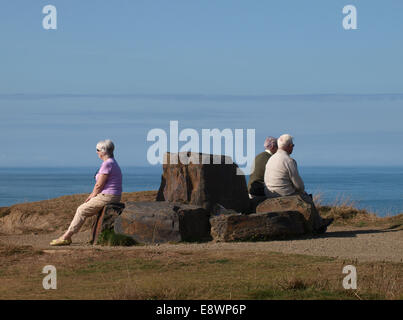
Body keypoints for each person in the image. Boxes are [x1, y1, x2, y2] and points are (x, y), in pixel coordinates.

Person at [50, 139, 122, 246]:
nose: (96, 152)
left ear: (103, 151)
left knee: (81, 210)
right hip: (112, 195)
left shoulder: (107, 164)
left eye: (97, 150)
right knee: (84, 209)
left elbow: (99, 185)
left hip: (107, 196)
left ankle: (66, 237)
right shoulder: (112, 162)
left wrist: (92, 196)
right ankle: (71, 236)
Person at [264, 134, 333, 233]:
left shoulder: (271, 159)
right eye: (292, 145)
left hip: (269, 193)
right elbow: (299, 186)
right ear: (289, 146)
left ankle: (318, 222)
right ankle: (318, 224)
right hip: (284, 195)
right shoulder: (289, 161)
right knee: (307, 198)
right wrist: (301, 191)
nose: (293, 147)